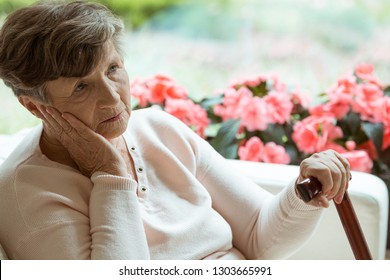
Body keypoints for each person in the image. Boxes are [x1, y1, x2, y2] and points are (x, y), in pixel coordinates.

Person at [0, 1, 350, 260]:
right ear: (33, 106)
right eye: (81, 87)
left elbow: (261, 238)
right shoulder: (25, 192)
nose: (113, 99)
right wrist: (110, 175)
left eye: (113, 69)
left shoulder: (157, 128)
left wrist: (304, 192)